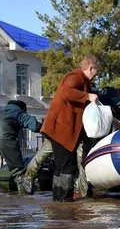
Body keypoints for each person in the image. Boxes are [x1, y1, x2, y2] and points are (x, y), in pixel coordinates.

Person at [39, 55, 100, 202]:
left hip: (58, 128)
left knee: (61, 165)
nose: (97, 75)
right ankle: (65, 200)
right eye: (97, 71)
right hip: (62, 129)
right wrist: (88, 96)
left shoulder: (80, 79)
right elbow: (67, 92)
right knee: (68, 165)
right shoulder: (76, 77)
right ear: (91, 68)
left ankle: (58, 200)